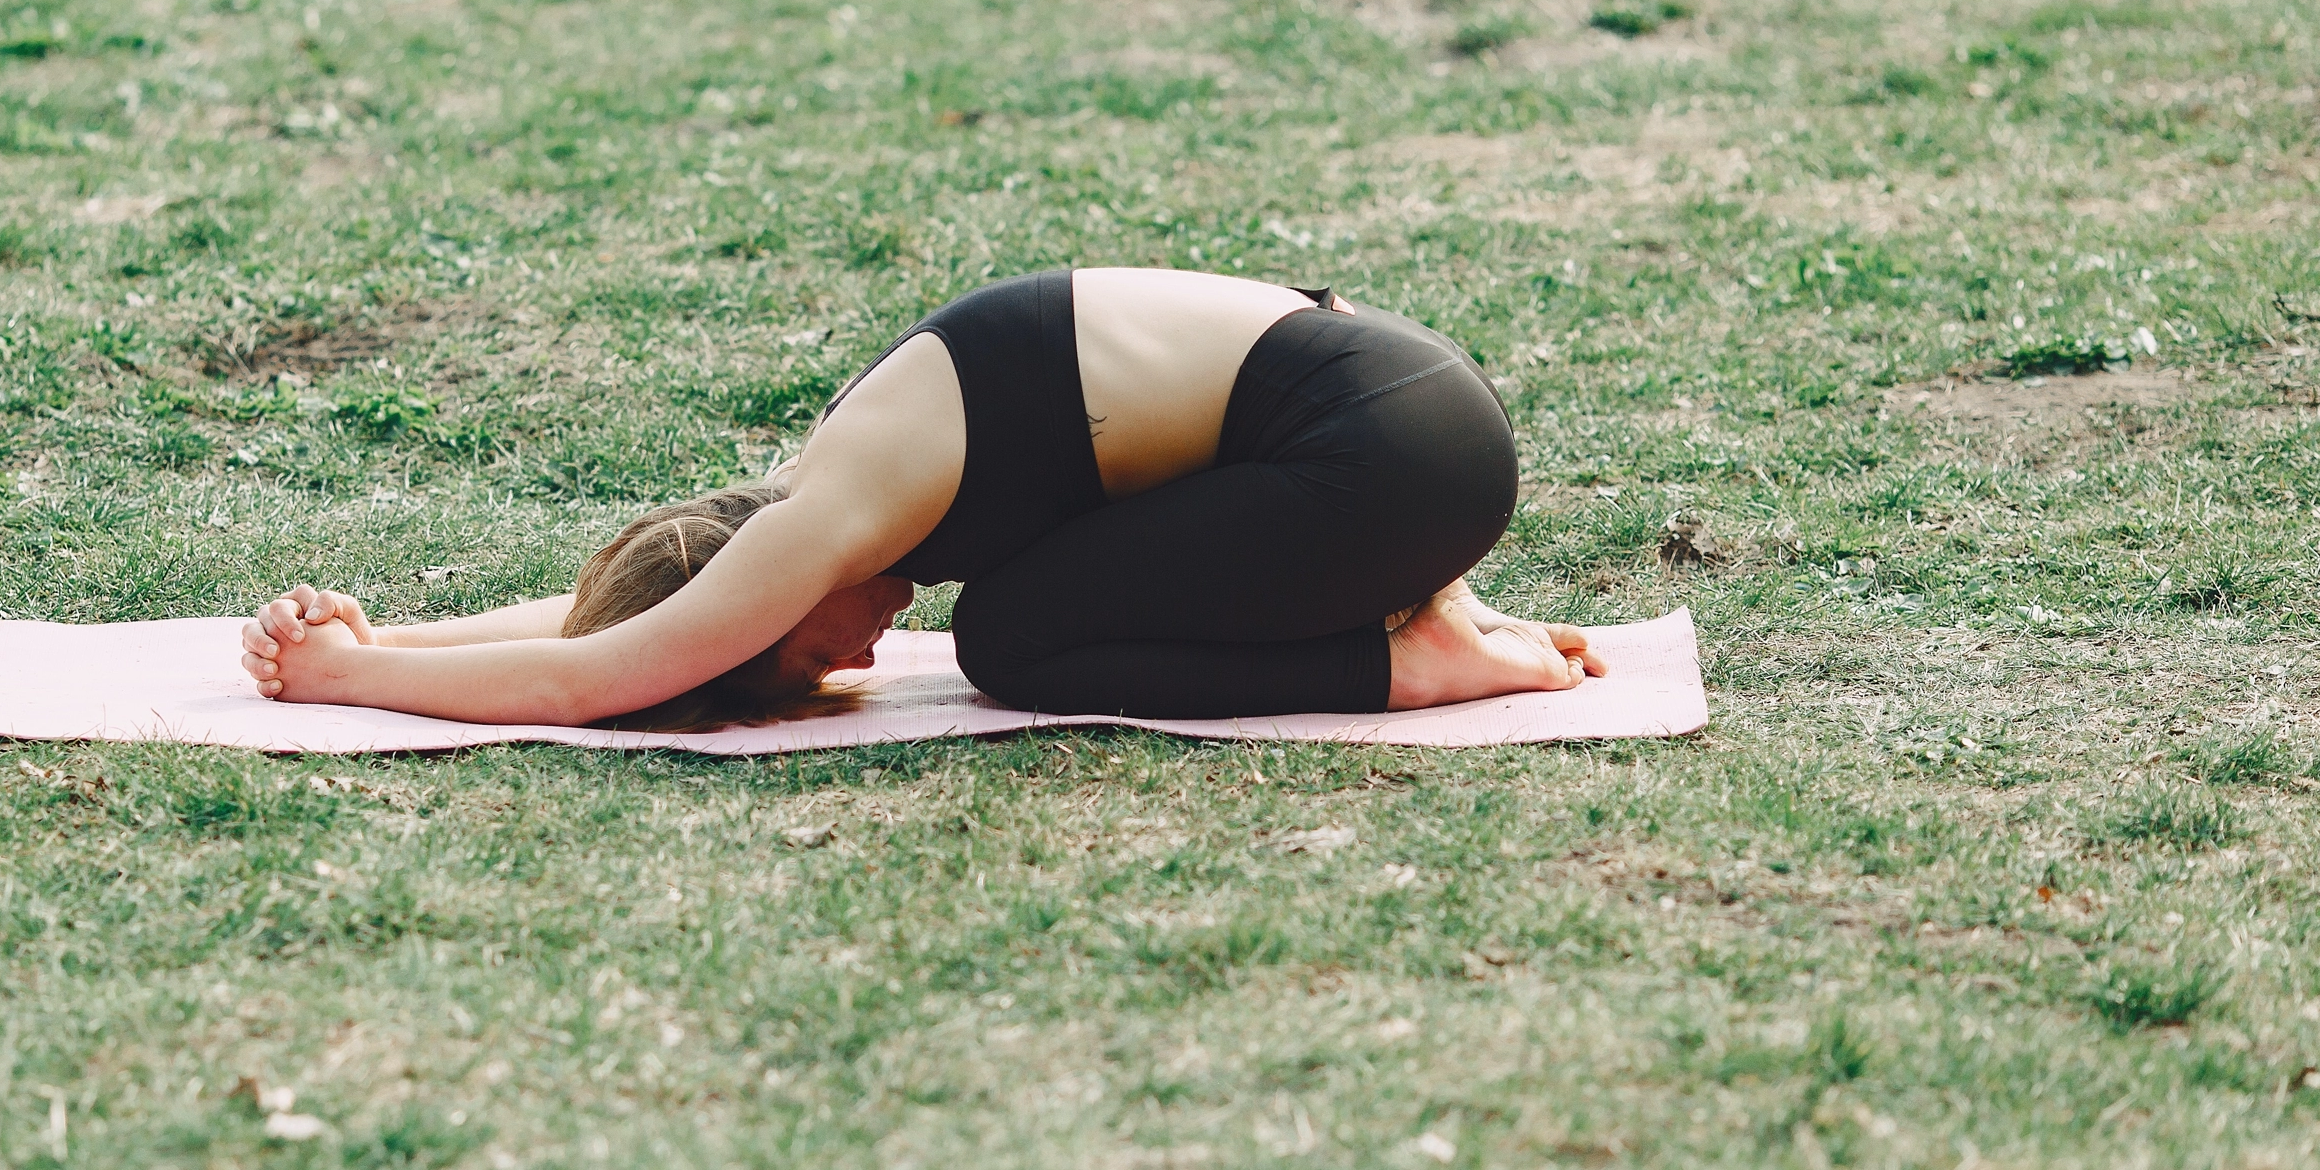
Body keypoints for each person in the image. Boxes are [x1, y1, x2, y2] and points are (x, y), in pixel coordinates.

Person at [240, 268, 1601, 725]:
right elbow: (616, 618)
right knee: (1028, 606)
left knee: (1010, 641)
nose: (856, 655)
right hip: (1410, 418)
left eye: (801, 654)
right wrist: (396, 636)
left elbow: (593, 676)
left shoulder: (824, 519)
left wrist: (341, 685)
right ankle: (1424, 620)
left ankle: (1406, 662)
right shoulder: (823, 486)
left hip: (1378, 462)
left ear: (759, 594)